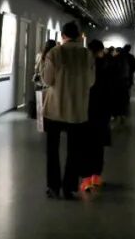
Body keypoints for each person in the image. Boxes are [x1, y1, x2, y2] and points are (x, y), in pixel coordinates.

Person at [42, 21, 95, 199]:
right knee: (75, 150)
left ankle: (53, 186)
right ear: (79, 36)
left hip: (55, 108)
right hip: (78, 109)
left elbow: (48, 80)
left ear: (63, 35)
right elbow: (91, 81)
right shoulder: (87, 54)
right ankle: (69, 187)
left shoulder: (55, 53)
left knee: (52, 149)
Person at [81, 39, 117, 193]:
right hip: (103, 110)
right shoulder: (108, 66)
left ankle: (86, 179)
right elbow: (113, 89)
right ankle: (97, 176)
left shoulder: (85, 66)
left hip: (86, 109)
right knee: (98, 145)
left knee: (85, 145)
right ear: (101, 51)